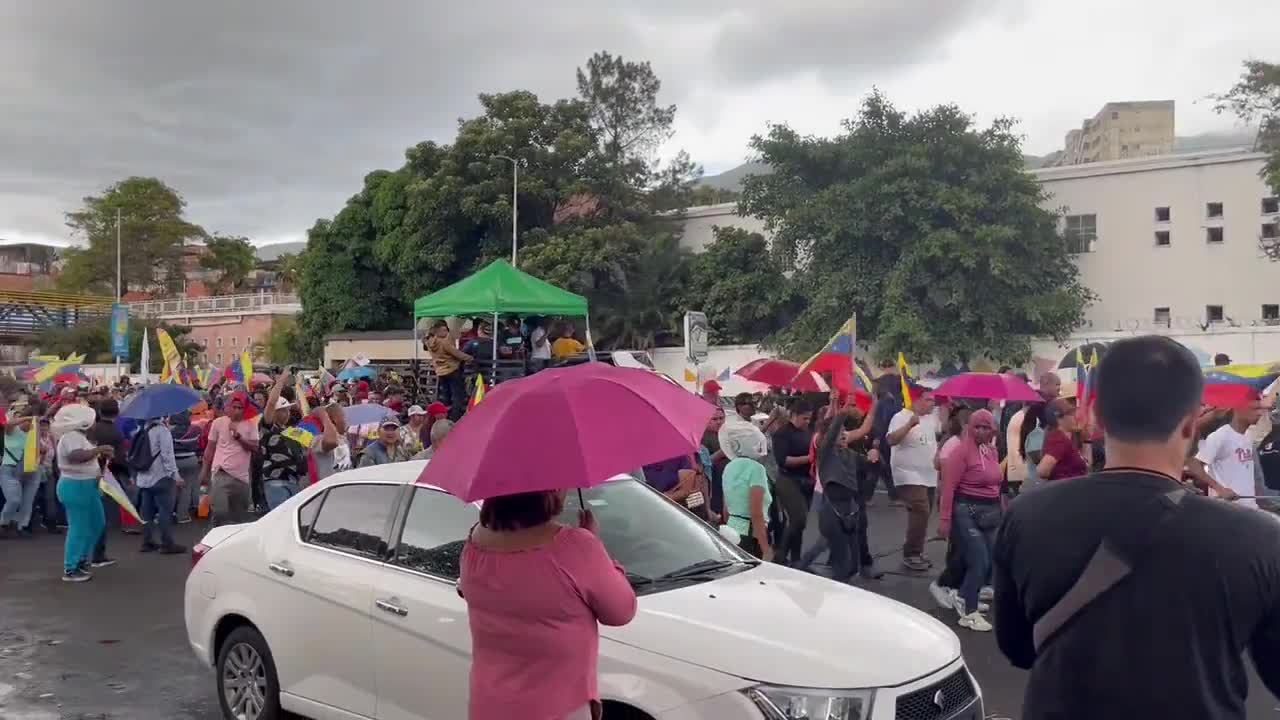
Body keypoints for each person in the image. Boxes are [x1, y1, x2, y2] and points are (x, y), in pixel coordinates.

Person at [993, 335, 1280, 719]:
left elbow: (1017, 647)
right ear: (1191, 425)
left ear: (1095, 415)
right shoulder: (1259, 539)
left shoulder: (1025, 515)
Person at [460, 490, 637, 720]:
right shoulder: (574, 546)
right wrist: (594, 546)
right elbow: (621, 610)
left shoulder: (473, 545)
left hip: (489, 706)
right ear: (544, 490)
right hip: (556, 710)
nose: (565, 490)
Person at [937, 410, 1000, 632]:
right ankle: (968, 612)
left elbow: (995, 484)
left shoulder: (991, 451)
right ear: (970, 428)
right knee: (979, 560)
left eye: (986, 427)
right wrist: (945, 519)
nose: (981, 431)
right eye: (977, 427)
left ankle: (964, 595)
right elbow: (948, 487)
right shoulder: (960, 452)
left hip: (989, 513)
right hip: (965, 511)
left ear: (992, 429)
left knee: (987, 559)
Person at [813, 395, 877, 582]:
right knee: (841, 559)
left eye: (844, 432)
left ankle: (813, 567)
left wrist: (874, 455)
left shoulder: (850, 454)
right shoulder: (825, 453)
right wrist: (842, 411)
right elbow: (831, 431)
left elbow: (869, 465)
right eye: (839, 432)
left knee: (852, 563)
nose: (842, 435)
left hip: (851, 507)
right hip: (832, 507)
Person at [52, 404, 113, 582]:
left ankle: (80, 559)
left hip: (84, 485)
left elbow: (83, 457)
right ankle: (71, 567)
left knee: (96, 523)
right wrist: (99, 450)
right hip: (76, 485)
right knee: (79, 527)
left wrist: (98, 455)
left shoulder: (78, 437)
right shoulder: (72, 436)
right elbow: (75, 456)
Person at [887, 390, 940, 572]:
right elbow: (891, 439)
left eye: (933, 400)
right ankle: (911, 553)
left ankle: (916, 549)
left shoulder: (931, 419)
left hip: (929, 475)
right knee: (921, 508)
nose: (932, 403)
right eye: (928, 400)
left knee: (923, 514)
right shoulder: (900, 417)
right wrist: (909, 425)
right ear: (916, 400)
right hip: (908, 473)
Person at [1187, 395, 1265, 508]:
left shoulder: (1247, 436)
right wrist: (1220, 489)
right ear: (1238, 408)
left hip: (1249, 509)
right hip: (1228, 510)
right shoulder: (1221, 435)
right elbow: (1194, 464)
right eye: (1255, 409)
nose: (1260, 413)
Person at [198, 392, 260, 527]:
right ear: (228, 407)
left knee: (239, 520)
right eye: (234, 407)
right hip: (221, 473)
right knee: (219, 515)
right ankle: (212, 544)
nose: (237, 410)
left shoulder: (251, 425)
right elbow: (210, 449)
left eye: (240, 408)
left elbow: (255, 447)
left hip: (241, 478)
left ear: (245, 409)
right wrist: (204, 471)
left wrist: (238, 436)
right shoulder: (218, 423)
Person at [770, 400, 814, 566]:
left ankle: (796, 559)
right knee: (798, 519)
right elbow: (783, 460)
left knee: (800, 524)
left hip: (806, 480)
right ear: (793, 416)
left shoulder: (807, 432)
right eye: (805, 418)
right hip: (788, 479)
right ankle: (780, 556)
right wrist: (809, 458)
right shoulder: (782, 433)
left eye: (809, 419)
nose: (807, 422)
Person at [720, 421, 773, 559]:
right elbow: (756, 513)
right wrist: (765, 548)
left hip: (731, 531)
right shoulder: (756, 469)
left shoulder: (729, 467)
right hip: (750, 534)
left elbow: (726, 508)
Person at [133, 416, 186, 554]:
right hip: (161, 476)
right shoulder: (162, 431)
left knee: (147, 512)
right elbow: (167, 456)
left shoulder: (141, 428)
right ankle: (167, 543)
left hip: (144, 477)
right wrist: (176, 475)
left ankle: (147, 541)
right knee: (164, 511)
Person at [86, 398, 130, 566]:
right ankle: (98, 554)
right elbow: (120, 458)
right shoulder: (115, 432)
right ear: (117, 412)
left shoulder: (92, 429)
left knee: (88, 517)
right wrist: (128, 473)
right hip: (108, 476)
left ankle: (86, 553)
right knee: (101, 516)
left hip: (87, 474)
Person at [260, 397, 305, 511]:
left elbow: (312, 442)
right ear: (274, 413)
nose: (287, 413)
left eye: (288, 410)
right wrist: (281, 381)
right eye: (283, 410)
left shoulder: (293, 431)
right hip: (275, 481)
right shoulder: (267, 430)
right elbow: (270, 404)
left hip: (293, 481)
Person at [0, 406, 38, 539]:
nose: (29, 424)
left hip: (32, 470)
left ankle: (21, 526)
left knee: (27, 501)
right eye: (25, 420)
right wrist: (28, 417)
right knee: (14, 499)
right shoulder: (12, 431)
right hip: (10, 468)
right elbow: (8, 423)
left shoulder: (35, 434)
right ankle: (4, 523)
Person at [427, 322, 472, 418]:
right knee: (457, 396)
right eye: (444, 330)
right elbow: (457, 353)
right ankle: (455, 418)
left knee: (446, 395)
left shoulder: (429, 343)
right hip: (451, 370)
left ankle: (444, 416)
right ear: (438, 332)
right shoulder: (444, 342)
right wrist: (470, 358)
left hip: (440, 371)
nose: (446, 332)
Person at [1038, 398, 1089, 481]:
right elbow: (1042, 471)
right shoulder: (1058, 439)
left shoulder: (1064, 438)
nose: (1075, 416)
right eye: (1071, 413)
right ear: (1059, 417)